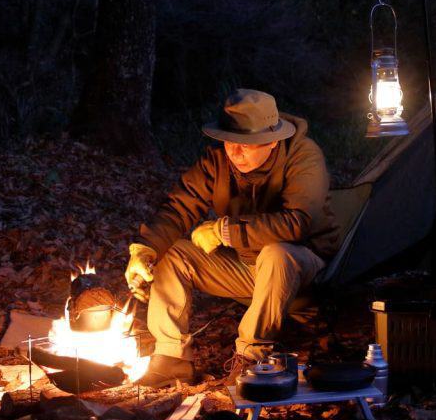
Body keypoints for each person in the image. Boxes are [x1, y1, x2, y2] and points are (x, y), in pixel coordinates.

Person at [126, 89, 339, 388]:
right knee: (171, 253)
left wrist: (223, 230)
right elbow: (181, 205)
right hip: (247, 266)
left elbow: (298, 223)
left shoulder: (304, 156)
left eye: (246, 145)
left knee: (276, 254)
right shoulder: (218, 159)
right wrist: (146, 250)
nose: (235, 152)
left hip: (304, 266)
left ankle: (253, 356)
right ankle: (171, 356)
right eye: (229, 142)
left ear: (273, 140)